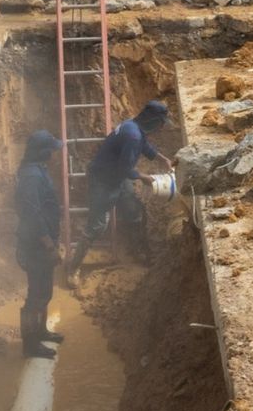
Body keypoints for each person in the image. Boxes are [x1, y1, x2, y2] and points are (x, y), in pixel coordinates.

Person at [66, 100, 173, 281]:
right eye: (161, 123)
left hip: (117, 176)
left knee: (134, 212)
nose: (161, 127)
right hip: (102, 180)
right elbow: (126, 169)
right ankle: (72, 268)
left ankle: (137, 251)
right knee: (97, 226)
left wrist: (162, 158)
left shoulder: (132, 126)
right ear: (153, 121)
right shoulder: (133, 137)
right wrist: (143, 177)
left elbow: (144, 146)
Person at [12, 130, 68, 360]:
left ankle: (41, 331)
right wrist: (48, 245)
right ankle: (31, 344)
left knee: (44, 292)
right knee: (35, 296)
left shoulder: (36, 170)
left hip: (42, 242)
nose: (54, 154)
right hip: (36, 245)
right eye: (51, 150)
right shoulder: (31, 177)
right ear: (44, 152)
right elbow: (32, 214)